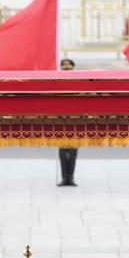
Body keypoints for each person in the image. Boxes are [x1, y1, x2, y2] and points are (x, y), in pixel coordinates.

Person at [57, 58, 79, 186]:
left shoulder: (78, 81)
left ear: (72, 66)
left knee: (73, 152)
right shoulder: (57, 81)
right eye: (63, 65)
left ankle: (71, 177)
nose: (66, 67)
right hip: (61, 120)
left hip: (75, 120)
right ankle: (64, 177)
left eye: (68, 65)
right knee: (62, 152)